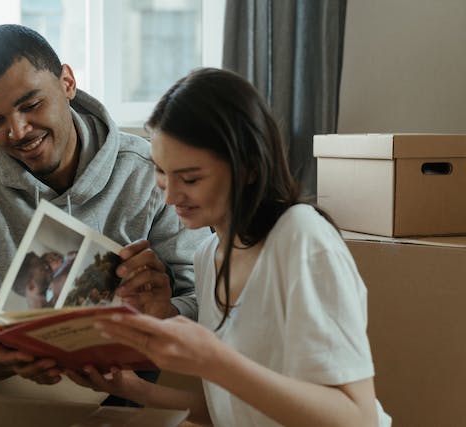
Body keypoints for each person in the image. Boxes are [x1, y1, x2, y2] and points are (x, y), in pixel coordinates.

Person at [66, 68, 392, 426]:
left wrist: (213, 360)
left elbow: (357, 419)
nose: (171, 195)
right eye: (161, 172)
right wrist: (131, 388)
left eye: (190, 178)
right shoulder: (209, 256)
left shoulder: (301, 237)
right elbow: (231, 410)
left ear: (248, 168)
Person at [0, 24, 209, 394]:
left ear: (67, 83)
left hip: (120, 372)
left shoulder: (149, 171)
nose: (18, 131)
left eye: (31, 105)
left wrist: (164, 314)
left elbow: (206, 299)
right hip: (2, 373)